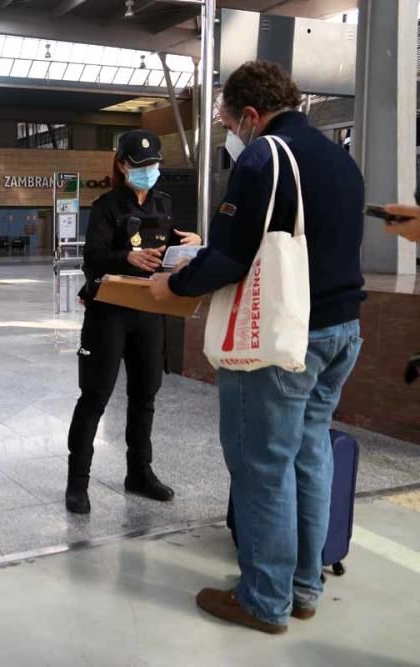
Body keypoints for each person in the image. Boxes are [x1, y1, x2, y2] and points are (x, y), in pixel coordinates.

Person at [150, 61, 364, 634]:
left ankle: (263, 601)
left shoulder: (264, 156)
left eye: (226, 119)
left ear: (250, 113)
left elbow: (229, 256)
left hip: (282, 338)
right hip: (343, 330)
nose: (230, 132)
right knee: (309, 452)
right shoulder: (340, 157)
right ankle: (303, 586)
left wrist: (175, 282)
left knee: (261, 465)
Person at [64, 130, 201, 515]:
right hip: (109, 313)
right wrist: (127, 257)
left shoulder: (165, 203)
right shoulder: (107, 206)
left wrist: (194, 242)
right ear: (123, 165)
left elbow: (176, 249)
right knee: (94, 397)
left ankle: (139, 473)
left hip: (149, 311)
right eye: (140, 165)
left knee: (145, 397)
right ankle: (77, 483)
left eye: (153, 164)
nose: (148, 171)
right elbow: (92, 257)